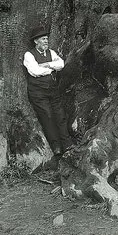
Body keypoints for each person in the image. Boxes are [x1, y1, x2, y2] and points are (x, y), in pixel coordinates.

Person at [23, 26, 72, 159]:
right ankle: (56, 147)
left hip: (52, 90)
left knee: (60, 115)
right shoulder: (29, 55)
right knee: (48, 117)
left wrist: (47, 65)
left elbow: (61, 64)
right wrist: (51, 67)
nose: (46, 41)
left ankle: (67, 144)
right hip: (38, 93)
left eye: (47, 39)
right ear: (36, 41)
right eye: (43, 39)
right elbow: (35, 71)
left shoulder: (51, 52)